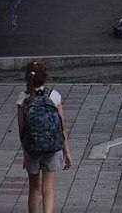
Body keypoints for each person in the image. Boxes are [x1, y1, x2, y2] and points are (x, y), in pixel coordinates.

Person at [17, 61, 72, 213]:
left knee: (34, 188)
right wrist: (66, 153)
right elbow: (61, 127)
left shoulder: (23, 98)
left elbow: (21, 130)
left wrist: (25, 153)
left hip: (32, 148)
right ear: (46, 77)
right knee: (48, 188)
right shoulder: (54, 96)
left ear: (27, 77)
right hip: (53, 148)